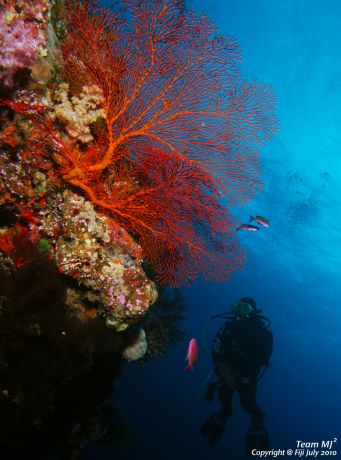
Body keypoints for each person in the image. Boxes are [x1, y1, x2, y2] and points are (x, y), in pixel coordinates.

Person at [200, 297, 273, 455]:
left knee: (248, 404)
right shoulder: (227, 326)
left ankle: (257, 422)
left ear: (253, 311)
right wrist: (222, 367)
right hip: (226, 372)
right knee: (225, 398)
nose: (240, 311)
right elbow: (215, 347)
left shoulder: (262, 333)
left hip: (246, 375)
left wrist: (242, 370)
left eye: (245, 308)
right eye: (238, 307)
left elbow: (262, 359)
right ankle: (224, 414)